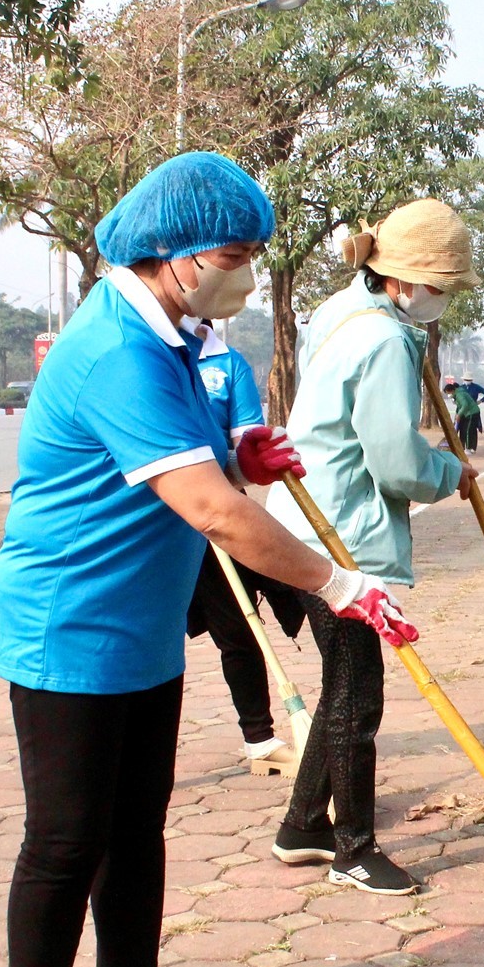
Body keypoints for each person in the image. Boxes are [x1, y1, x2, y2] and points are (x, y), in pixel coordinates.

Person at [0, 152, 417, 967]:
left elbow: (203, 470)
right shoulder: (113, 351)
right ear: (170, 254)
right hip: (67, 629)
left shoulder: (173, 334)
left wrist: (241, 453)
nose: (244, 273)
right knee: (63, 840)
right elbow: (215, 514)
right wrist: (341, 584)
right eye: (231, 254)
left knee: (137, 824)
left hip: (141, 623)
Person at [265, 198, 480, 896]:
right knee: (358, 697)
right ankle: (354, 848)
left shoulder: (345, 309)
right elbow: (397, 464)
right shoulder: (386, 340)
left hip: (303, 524)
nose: (443, 298)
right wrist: (451, 471)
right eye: (443, 285)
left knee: (340, 686)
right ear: (409, 280)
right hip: (338, 543)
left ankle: (303, 823)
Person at [181, 313, 305, 777]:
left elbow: (243, 445)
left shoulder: (227, 364)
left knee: (238, 628)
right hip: (154, 522)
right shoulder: (146, 351)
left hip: (214, 515)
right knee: (146, 633)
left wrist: (246, 466)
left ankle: (261, 740)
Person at [450, 377, 483, 452]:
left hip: (471, 413)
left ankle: (469, 448)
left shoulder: (463, 392)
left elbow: (465, 405)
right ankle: (462, 447)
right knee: (462, 430)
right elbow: (459, 406)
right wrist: (457, 415)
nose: (467, 381)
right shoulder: (461, 388)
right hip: (464, 414)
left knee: (469, 430)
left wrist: (481, 401)